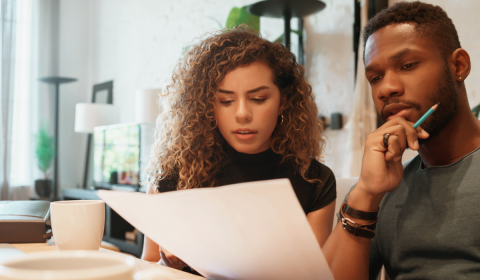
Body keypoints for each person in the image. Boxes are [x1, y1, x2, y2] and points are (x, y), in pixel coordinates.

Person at [141, 26, 337, 273]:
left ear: (283, 102)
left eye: (258, 99)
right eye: (226, 101)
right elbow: (147, 265)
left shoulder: (314, 180)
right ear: (207, 106)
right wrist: (167, 264)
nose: (242, 114)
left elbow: (314, 275)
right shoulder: (173, 175)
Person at [322, 1, 480, 279]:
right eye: (375, 77)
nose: (386, 89)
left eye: (407, 65)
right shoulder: (381, 189)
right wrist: (366, 195)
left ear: (459, 65)